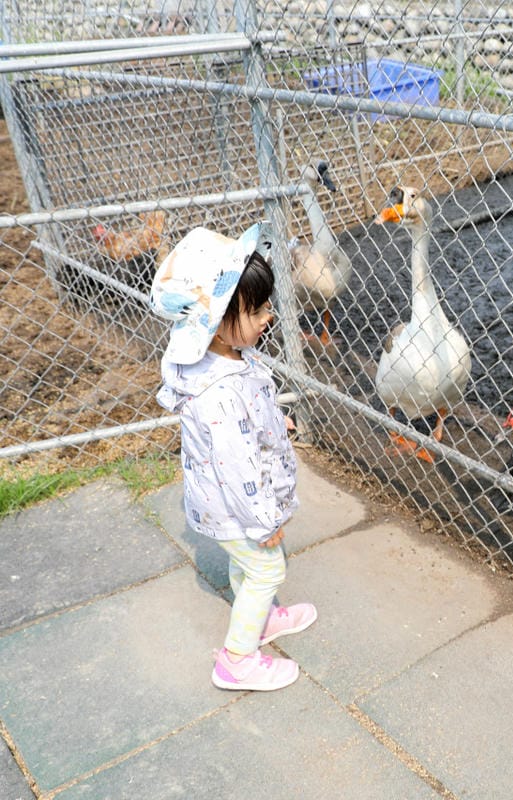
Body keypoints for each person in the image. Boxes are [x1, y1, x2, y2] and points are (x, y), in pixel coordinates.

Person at [150, 222, 317, 691]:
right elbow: (237, 464)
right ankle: (237, 658)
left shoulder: (226, 357)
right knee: (267, 565)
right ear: (218, 316)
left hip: (231, 502)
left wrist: (273, 421)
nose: (270, 315)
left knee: (252, 563)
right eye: (259, 308)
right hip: (241, 504)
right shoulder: (218, 393)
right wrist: (264, 520)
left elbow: (248, 415)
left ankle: (261, 617)